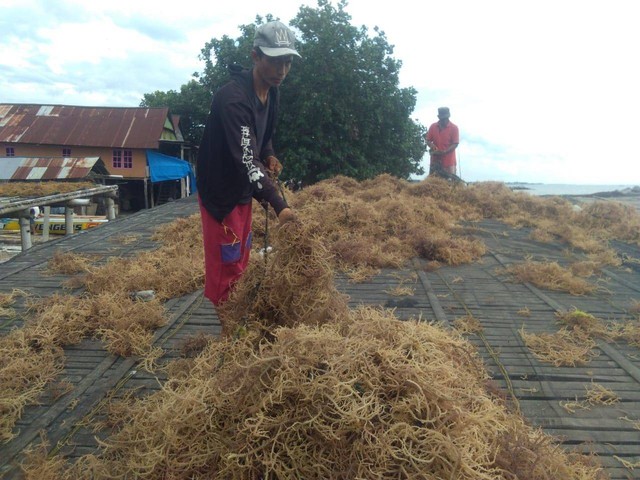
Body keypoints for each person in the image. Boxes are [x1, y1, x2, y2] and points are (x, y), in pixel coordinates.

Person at [196, 21, 300, 306]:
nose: (282, 71)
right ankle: (230, 337)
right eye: (275, 62)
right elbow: (245, 160)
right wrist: (280, 207)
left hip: (244, 188)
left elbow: (261, 138)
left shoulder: (271, 91)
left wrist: (269, 153)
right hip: (222, 193)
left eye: (287, 63)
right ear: (256, 56)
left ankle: (237, 319)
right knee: (226, 263)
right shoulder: (233, 100)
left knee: (241, 255)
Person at [425, 107, 460, 177]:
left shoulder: (454, 128)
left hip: (449, 162)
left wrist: (445, 152)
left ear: (448, 117)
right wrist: (432, 146)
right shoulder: (433, 126)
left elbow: (455, 144)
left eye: (445, 119)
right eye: (442, 119)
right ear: (439, 117)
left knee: (449, 184)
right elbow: (428, 140)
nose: (444, 121)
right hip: (435, 162)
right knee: (433, 183)